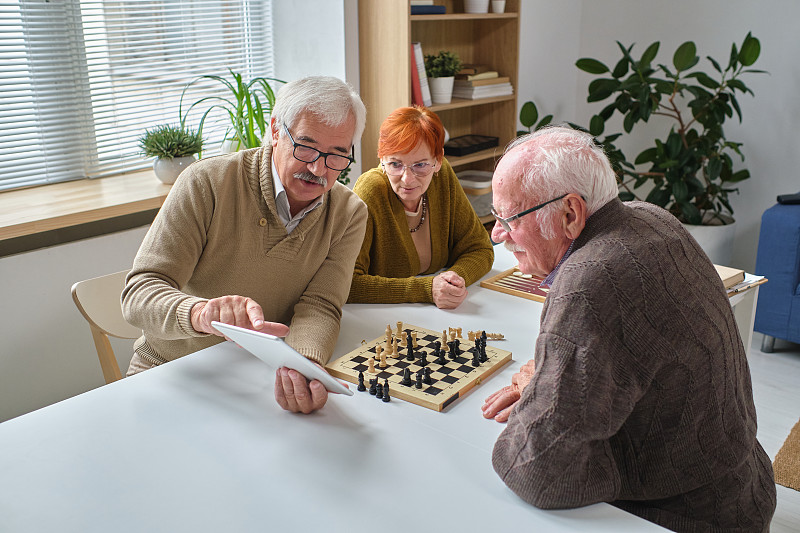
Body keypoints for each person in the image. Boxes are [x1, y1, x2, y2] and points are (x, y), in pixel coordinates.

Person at [481, 126, 776, 532]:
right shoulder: (651, 216)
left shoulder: (589, 282)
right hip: (745, 490)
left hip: (685, 518)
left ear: (570, 213)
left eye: (508, 218)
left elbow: (535, 471)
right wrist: (554, 385)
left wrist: (540, 392)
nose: (498, 234)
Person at [122, 76, 368, 414]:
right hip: (170, 370)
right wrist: (201, 313)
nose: (318, 169)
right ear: (276, 130)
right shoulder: (207, 182)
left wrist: (302, 364)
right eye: (307, 147)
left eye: (336, 156)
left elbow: (320, 305)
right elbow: (139, 293)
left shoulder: (349, 213)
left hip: (259, 378)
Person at [348, 106, 493, 309]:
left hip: (437, 315)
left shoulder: (442, 177)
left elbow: (480, 248)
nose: (407, 179)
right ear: (382, 160)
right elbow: (348, 283)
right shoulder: (370, 191)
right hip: (383, 319)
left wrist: (453, 281)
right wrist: (427, 289)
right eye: (395, 164)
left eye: (420, 165)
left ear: (438, 161)